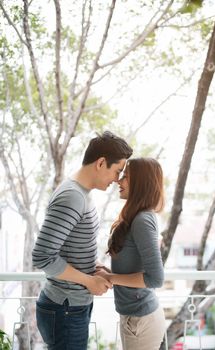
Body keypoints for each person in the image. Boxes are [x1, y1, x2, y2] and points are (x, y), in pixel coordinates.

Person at [32, 131, 133, 350]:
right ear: (101, 163)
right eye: (116, 171)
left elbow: (69, 245)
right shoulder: (73, 197)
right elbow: (42, 256)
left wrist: (92, 265)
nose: (117, 179)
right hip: (64, 306)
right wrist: (88, 281)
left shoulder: (81, 194)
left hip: (70, 305)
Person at [95, 157, 166, 350]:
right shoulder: (136, 217)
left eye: (125, 176)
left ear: (141, 183)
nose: (119, 180)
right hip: (135, 318)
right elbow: (133, 268)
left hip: (141, 320)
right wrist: (107, 272)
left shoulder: (143, 220)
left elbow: (155, 278)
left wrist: (110, 277)